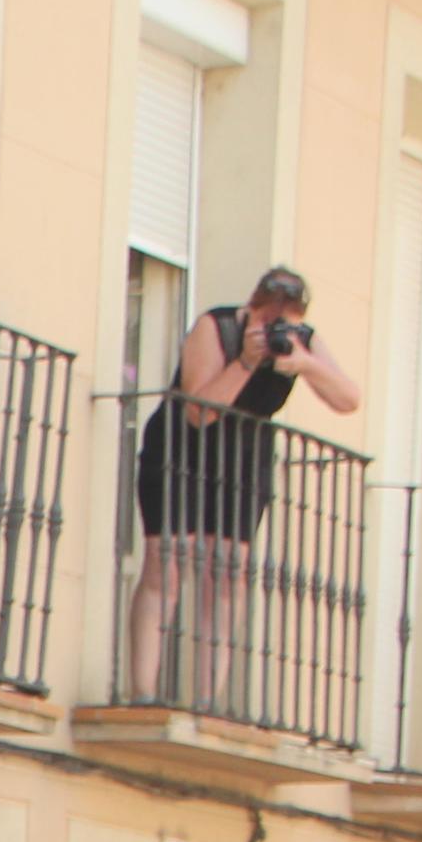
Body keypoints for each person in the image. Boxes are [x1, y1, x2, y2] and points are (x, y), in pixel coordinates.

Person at [128, 266, 364, 707]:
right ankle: (143, 688)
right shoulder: (215, 326)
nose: (273, 329)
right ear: (251, 309)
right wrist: (246, 363)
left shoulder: (301, 340)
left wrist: (306, 363)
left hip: (244, 455)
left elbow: (348, 399)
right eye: (265, 320)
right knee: (168, 563)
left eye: (285, 322)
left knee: (230, 572)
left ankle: (207, 698)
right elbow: (201, 411)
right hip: (183, 448)